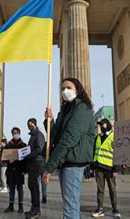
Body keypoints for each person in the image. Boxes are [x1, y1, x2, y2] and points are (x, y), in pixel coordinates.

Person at [42, 78, 95, 219]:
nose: (65, 91)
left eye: (69, 87)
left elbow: (68, 139)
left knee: (70, 207)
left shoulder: (82, 109)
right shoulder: (65, 111)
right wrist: (50, 120)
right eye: (63, 88)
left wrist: (49, 168)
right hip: (64, 162)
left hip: (73, 162)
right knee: (71, 204)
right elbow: (55, 135)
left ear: (77, 90)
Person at [91, 118, 121, 218]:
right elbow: (94, 152)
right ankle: (100, 208)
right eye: (100, 125)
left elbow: (117, 154)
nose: (101, 127)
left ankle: (115, 209)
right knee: (100, 190)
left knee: (112, 189)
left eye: (103, 125)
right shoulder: (98, 137)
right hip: (99, 168)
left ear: (107, 125)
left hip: (110, 168)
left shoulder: (114, 137)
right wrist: (93, 165)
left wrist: (116, 169)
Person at [24, 118, 45, 218]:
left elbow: (39, 148)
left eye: (31, 123)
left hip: (37, 162)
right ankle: (33, 207)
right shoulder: (32, 135)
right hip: (32, 163)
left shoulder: (38, 134)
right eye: (28, 124)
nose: (29, 125)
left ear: (34, 124)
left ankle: (37, 210)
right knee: (31, 186)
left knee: (34, 186)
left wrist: (29, 156)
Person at [4, 127, 26, 213]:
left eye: (17, 132)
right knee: (11, 189)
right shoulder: (8, 144)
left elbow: (26, 159)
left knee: (20, 189)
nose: (15, 134)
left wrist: (25, 170)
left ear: (19, 133)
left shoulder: (23, 145)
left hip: (20, 170)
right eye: (14, 133)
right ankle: (11, 205)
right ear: (12, 134)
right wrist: (8, 160)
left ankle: (21, 206)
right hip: (10, 170)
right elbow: (4, 156)